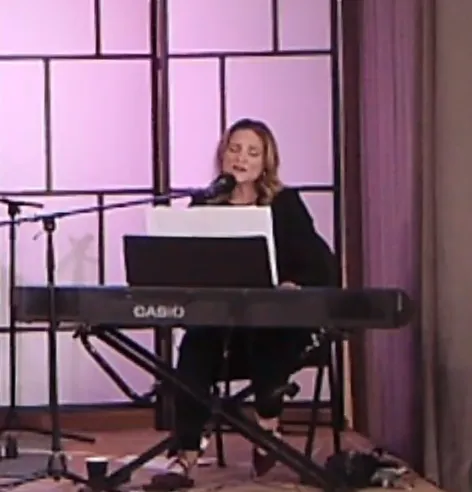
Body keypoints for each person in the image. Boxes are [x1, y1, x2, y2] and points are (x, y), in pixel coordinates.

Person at [150, 118, 338, 490]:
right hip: (222, 324)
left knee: (267, 330)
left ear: (266, 161)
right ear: (223, 155)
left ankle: (267, 423)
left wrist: (293, 283)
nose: (241, 158)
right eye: (235, 149)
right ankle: (185, 455)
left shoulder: (284, 203)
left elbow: (321, 265)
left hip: (277, 324)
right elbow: (187, 263)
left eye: (253, 152)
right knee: (195, 346)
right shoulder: (204, 203)